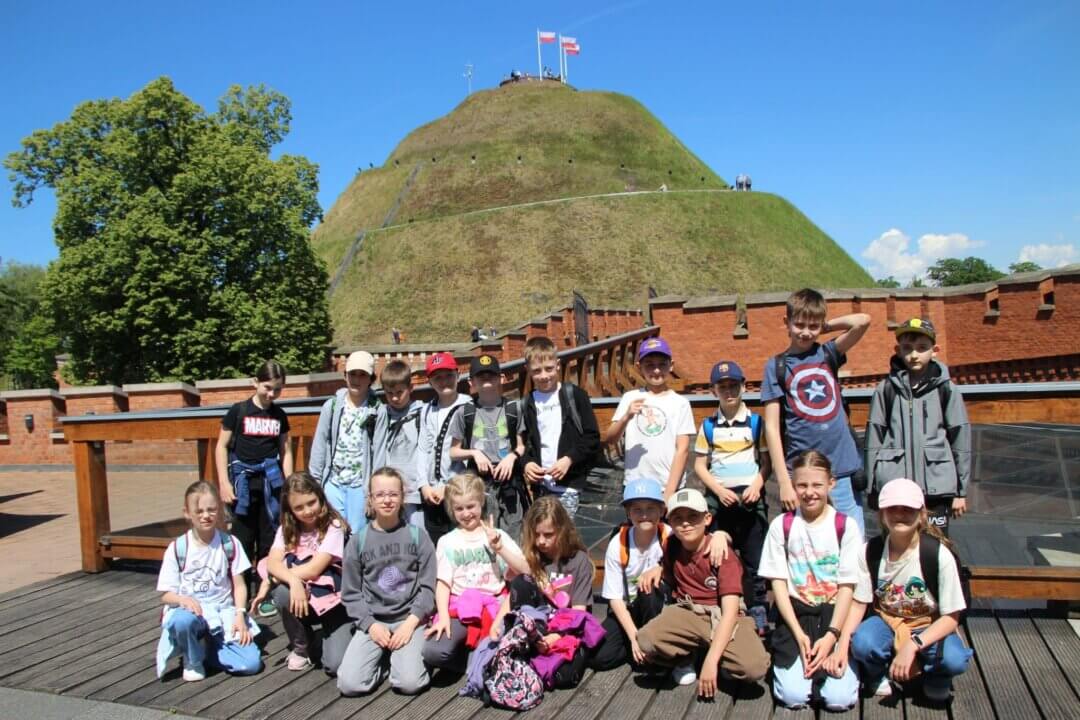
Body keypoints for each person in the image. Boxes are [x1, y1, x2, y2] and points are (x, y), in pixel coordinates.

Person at [843, 478, 973, 702]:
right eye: (892, 508)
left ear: (921, 514)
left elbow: (951, 617)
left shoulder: (938, 555)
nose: (899, 515)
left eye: (908, 509)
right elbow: (859, 604)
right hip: (888, 620)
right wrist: (843, 642)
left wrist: (913, 645)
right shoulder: (870, 552)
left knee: (954, 658)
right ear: (881, 514)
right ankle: (877, 672)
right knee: (862, 643)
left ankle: (937, 677)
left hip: (929, 621)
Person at [635, 488, 770, 697]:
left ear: (707, 519)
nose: (685, 523)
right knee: (645, 640)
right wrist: (657, 569)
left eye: (693, 516)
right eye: (678, 518)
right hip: (688, 610)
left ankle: (717, 657)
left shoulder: (721, 553)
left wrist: (711, 662)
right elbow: (670, 572)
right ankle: (686, 657)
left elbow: (730, 612)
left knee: (754, 668)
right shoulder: (672, 545)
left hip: (722, 615)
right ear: (670, 522)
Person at [761, 288, 871, 536]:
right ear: (786, 322)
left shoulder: (828, 353)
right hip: (803, 474)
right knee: (807, 543)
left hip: (841, 470)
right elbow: (771, 427)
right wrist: (784, 482)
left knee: (851, 541)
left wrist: (825, 326)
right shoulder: (776, 366)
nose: (806, 332)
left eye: (813, 326)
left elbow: (863, 321)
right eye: (799, 324)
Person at [589, 479, 730, 672]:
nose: (644, 515)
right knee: (600, 658)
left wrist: (721, 535)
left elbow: (703, 538)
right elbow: (615, 599)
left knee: (649, 588)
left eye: (650, 508)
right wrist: (634, 637)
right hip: (628, 609)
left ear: (662, 511)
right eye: (637, 510)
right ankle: (641, 649)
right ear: (628, 513)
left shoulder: (670, 535)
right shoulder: (618, 543)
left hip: (660, 606)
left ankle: (659, 655)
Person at [758, 451, 861, 711]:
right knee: (792, 696)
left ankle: (842, 671)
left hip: (834, 615)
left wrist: (832, 636)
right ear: (793, 485)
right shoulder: (782, 525)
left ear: (831, 484)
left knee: (839, 700)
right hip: (796, 614)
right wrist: (798, 633)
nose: (809, 492)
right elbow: (778, 584)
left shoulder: (845, 526)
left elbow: (848, 586)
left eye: (817, 485)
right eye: (802, 485)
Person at [336, 467, 437, 696]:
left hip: (409, 619)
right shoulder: (358, 542)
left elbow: (428, 587)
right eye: (380, 494)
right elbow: (351, 593)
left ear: (402, 497)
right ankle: (384, 664)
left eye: (393, 494)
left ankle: (402, 661)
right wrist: (370, 625)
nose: (387, 500)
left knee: (410, 683)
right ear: (370, 499)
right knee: (350, 685)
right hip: (374, 620)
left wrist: (411, 623)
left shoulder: (418, 537)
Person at [865, 318, 971, 534]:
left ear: (935, 351)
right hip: (895, 486)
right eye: (907, 348)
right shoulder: (886, 389)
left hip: (936, 486)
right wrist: (872, 487)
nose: (914, 355)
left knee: (935, 543)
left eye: (922, 348)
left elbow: (960, 438)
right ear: (898, 350)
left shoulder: (946, 389)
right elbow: (873, 439)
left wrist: (961, 491)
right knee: (896, 543)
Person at [692, 359, 771, 635]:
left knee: (754, 558)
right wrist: (718, 490)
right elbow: (700, 465)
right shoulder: (708, 426)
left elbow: (766, 462)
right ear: (713, 390)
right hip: (721, 500)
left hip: (749, 499)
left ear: (743, 387)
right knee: (718, 554)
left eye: (733, 386)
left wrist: (757, 485)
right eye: (722, 386)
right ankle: (721, 603)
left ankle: (758, 606)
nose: (728, 392)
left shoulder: (756, 423)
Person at [156, 481, 261, 681]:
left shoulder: (230, 544)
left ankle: (208, 648)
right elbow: (166, 595)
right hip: (193, 612)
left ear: (219, 509)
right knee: (182, 620)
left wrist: (240, 614)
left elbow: (239, 585)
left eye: (211, 510)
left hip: (222, 612)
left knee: (250, 664)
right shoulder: (178, 548)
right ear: (187, 513)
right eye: (199, 511)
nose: (206, 516)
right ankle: (193, 658)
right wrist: (182, 600)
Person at [422, 472, 529, 669]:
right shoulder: (447, 541)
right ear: (452, 510)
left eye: (470, 506)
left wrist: (500, 548)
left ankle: (475, 657)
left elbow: (525, 570)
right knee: (433, 652)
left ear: (481, 503)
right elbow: (443, 584)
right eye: (459, 508)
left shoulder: (497, 535)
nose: (466, 513)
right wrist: (443, 616)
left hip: (493, 605)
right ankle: (464, 653)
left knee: (483, 664)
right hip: (460, 606)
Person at [492, 496, 597, 689]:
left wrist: (557, 636)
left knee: (564, 677)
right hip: (535, 626)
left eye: (548, 535)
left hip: (565, 627)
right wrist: (497, 624)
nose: (541, 541)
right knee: (521, 581)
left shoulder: (578, 560)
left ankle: (534, 660)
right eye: (536, 534)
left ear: (562, 531)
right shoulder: (533, 556)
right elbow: (515, 593)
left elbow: (579, 611)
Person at [249, 472, 351, 673]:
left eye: (311, 502)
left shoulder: (334, 526)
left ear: (320, 497)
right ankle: (302, 643)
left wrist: (274, 578)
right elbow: (272, 563)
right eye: (299, 507)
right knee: (282, 592)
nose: (307, 511)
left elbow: (314, 569)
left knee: (335, 665)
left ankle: (337, 634)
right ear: (290, 509)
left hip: (334, 603)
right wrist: (292, 581)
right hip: (303, 599)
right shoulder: (286, 529)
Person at [215, 359, 293, 616]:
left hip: (271, 485)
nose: (271, 394)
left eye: (277, 389)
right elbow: (221, 446)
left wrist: (289, 486)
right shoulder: (238, 411)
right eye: (267, 387)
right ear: (255, 383)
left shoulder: (279, 415)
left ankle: (266, 593)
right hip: (243, 485)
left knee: (270, 539)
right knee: (242, 540)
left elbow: (285, 450)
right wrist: (224, 483)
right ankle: (240, 594)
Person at [518, 337, 600, 516]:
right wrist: (526, 463)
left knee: (563, 531)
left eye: (549, 368)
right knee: (544, 531)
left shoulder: (575, 395)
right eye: (537, 371)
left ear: (558, 365)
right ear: (528, 370)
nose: (544, 376)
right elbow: (520, 443)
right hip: (541, 485)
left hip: (570, 484)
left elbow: (592, 437)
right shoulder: (526, 403)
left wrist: (569, 459)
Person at [604, 337, 695, 497]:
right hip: (635, 485)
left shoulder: (681, 403)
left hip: (668, 486)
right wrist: (626, 417)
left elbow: (683, 449)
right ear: (639, 367)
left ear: (671, 365)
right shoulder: (629, 397)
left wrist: (669, 492)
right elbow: (610, 438)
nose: (656, 370)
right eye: (650, 365)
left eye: (662, 364)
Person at [449, 354, 526, 537]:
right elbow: (453, 451)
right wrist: (474, 453)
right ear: (471, 382)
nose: (486, 378)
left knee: (514, 533)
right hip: (480, 482)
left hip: (509, 480)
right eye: (480, 376)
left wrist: (512, 457)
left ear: (501, 378)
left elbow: (521, 446)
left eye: (491, 375)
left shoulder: (513, 409)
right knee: (483, 532)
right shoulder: (465, 412)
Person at [309, 351, 383, 532]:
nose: (356, 379)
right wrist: (315, 484)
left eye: (362, 375)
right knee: (332, 531)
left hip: (360, 486)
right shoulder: (332, 406)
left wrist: (374, 491)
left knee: (358, 533)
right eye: (352, 374)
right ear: (345, 375)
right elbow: (320, 444)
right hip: (333, 482)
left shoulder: (377, 410)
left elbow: (379, 453)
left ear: (371, 379)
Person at [417, 352, 471, 547]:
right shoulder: (427, 410)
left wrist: (448, 486)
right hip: (432, 492)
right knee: (438, 545)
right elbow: (422, 449)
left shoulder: (469, 406)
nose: (444, 381)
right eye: (438, 377)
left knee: (462, 544)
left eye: (449, 375)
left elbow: (471, 454)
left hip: (459, 490)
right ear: (430, 381)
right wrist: (424, 485)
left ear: (458, 375)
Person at [373, 359, 425, 528]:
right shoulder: (381, 415)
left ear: (410, 388)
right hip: (389, 491)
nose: (394, 398)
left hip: (414, 490)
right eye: (389, 393)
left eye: (399, 392)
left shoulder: (422, 413)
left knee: (417, 533)